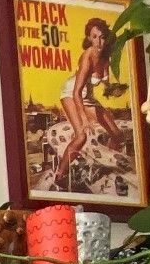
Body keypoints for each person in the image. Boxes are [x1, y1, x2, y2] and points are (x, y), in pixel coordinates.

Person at [53, 17, 126, 190]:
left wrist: (114, 89)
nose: (98, 42)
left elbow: (105, 84)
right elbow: (77, 93)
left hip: (88, 96)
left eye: (101, 37)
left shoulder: (106, 56)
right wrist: (84, 119)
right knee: (81, 136)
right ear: (89, 38)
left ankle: (104, 165)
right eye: (94, 37)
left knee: (116, 134)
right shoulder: (87, 58)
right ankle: (59, 176)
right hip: (72, 94)